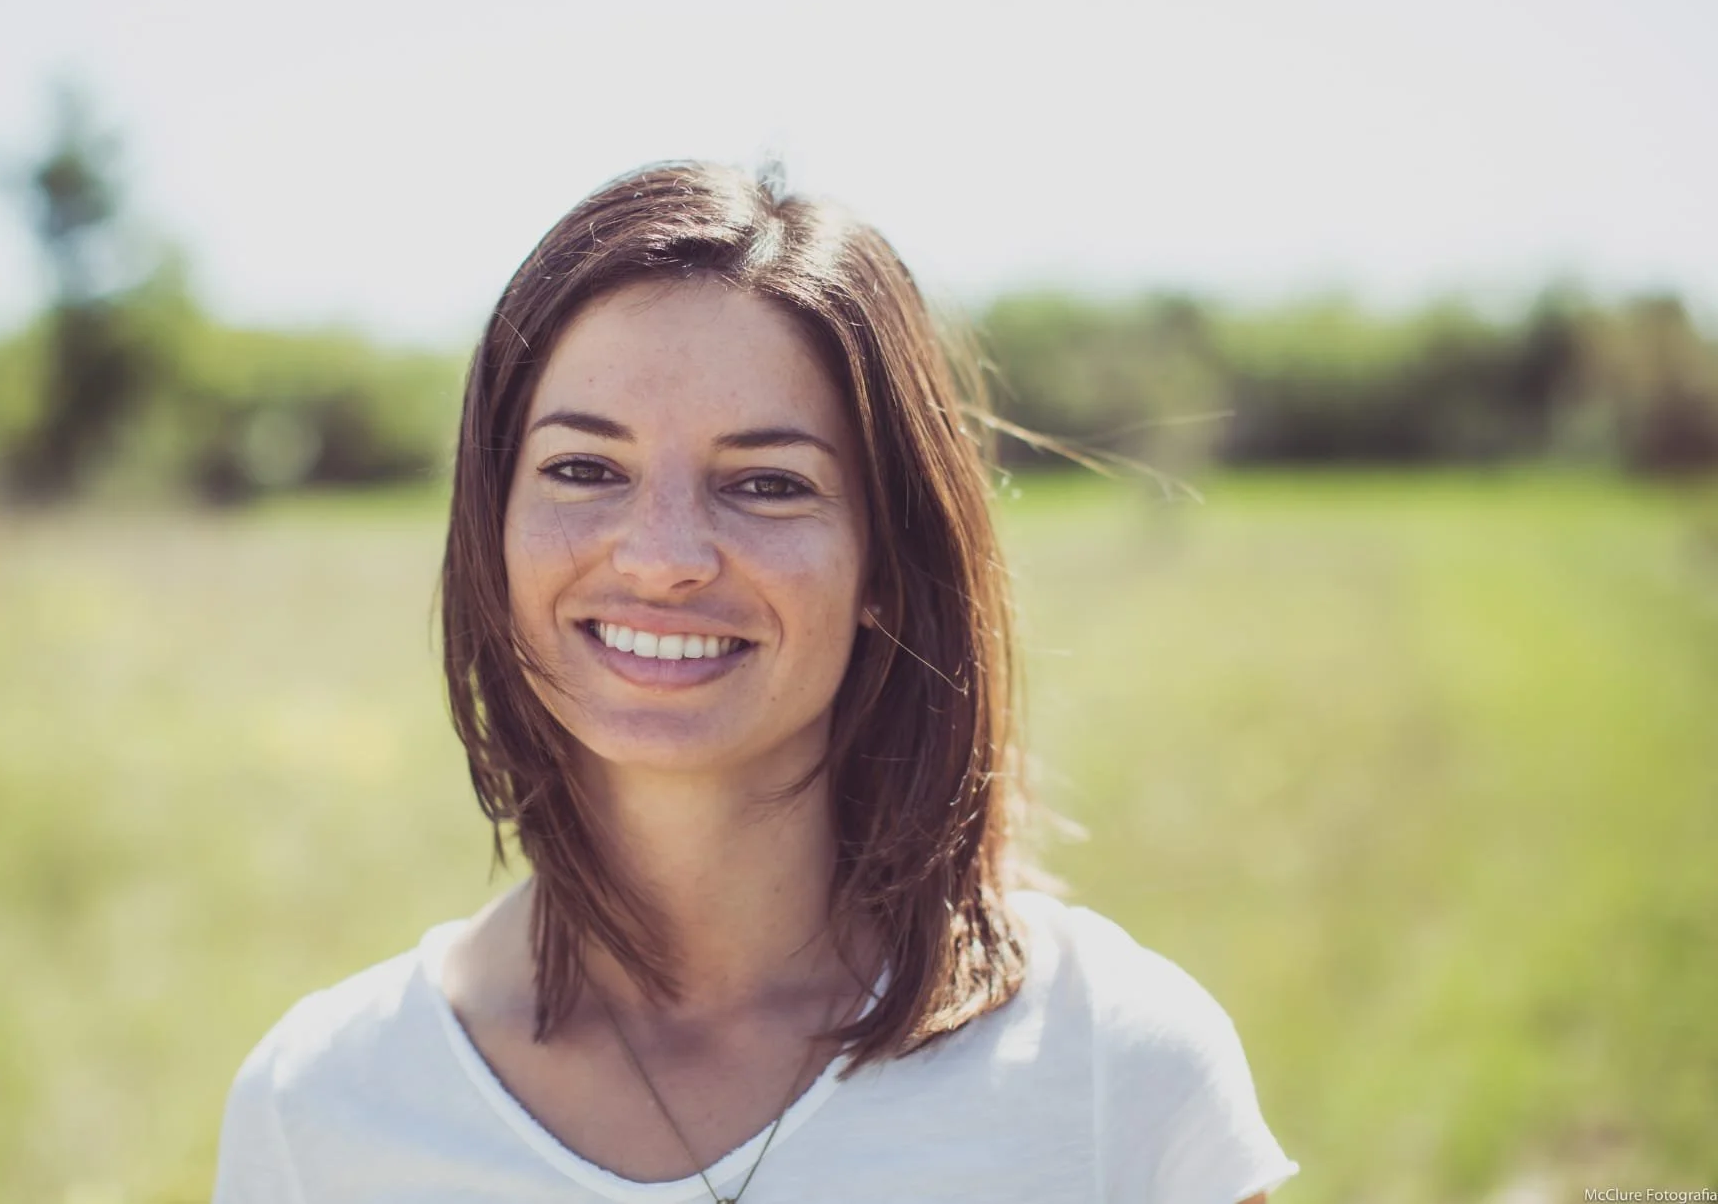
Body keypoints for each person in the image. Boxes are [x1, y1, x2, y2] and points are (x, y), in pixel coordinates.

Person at [212, 161, 1300, 1203]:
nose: (661, 555)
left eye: (768, 484)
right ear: (492, 532)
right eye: (583, 469)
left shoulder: (1122, 1071)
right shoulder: (321, 1108)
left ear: (886, 563)